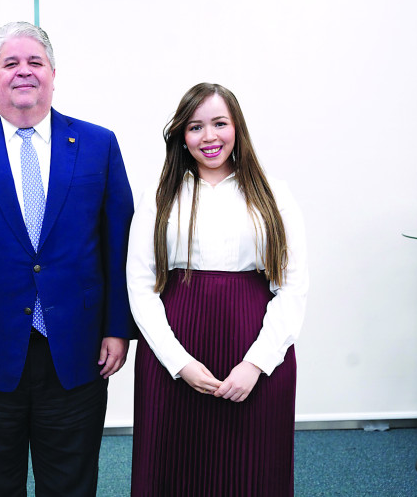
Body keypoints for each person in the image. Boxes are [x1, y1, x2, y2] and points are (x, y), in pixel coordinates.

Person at [0, 21, 135, 497]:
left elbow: (120, 245)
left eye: (35, 62)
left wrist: (118, 327)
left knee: (71, 483)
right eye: (10, 63)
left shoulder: (99, 145)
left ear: (53, 74)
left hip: (77, 351)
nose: (23, 72)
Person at [126, 83, 308, 496]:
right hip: (173, 351)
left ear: (237, 128)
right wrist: (179, 363)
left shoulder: (275, 195)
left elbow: (293, 287)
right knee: (172, 469)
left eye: (219, 124)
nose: (209, 137)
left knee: (252, 471)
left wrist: (256, 364)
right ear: (182, 136)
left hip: (255, 348)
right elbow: (139, 286)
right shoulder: (159, 197)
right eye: (195, 127)